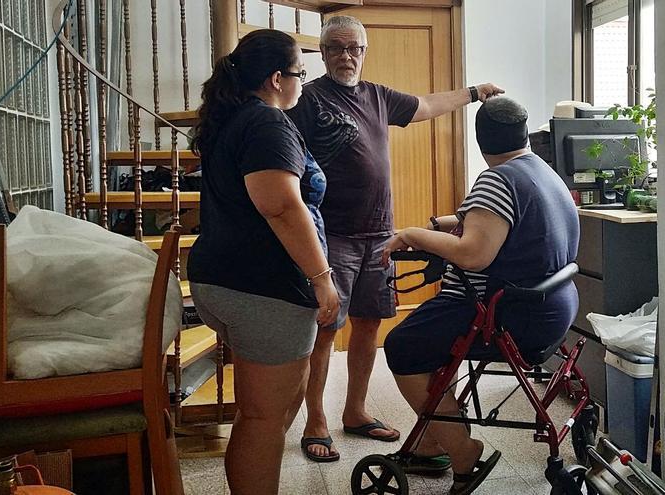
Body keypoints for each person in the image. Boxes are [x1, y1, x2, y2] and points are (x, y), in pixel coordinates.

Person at [286, 14, 504, 464]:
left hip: (381, 235)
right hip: (334, 236)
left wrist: (472, 93)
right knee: (326, 331)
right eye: (337, 48)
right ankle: (316, 421)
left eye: (355, 48)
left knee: (368, 325)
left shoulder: (378, 97)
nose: (347, 56)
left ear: (364, 52)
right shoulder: (306, 100)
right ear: (323, 53)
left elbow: (424, 106)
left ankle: (356, 411)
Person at [380, 96, 581, 494]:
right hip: (552, 309)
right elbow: (510, 219)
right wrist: (450, 222)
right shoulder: (541, 170)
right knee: (433, 342)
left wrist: (413, 235)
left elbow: (473, 255)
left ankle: (462, 449)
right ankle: (430, 439)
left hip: (505, 315)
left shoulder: (496, 179)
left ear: (479, 140)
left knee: (402, 345)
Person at [186, 30, 339, 495]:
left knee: (272, 408)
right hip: (262, 289)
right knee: (263, 418)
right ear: (277, 78)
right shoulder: (266, 124)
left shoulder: (233, 119)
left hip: (226, 280)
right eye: (299, 73)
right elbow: (279, 206)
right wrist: (322, 278)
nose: (302, 82)